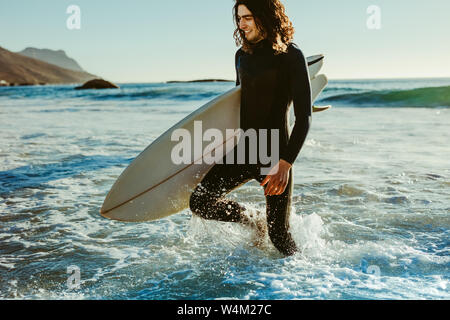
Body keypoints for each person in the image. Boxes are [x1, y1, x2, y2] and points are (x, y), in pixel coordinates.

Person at [189, 0, 312, 256]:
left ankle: (308, 280)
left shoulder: (290, 55)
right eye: (239, 18)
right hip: (245, 149)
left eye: (247, 17)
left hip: (274, 155)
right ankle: (253, 220)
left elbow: (304, 117)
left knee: (279, 237)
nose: (241, 24)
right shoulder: (241, 56)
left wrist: (285, 164)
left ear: (265, 16)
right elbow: (237, 105)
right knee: (200, 202)